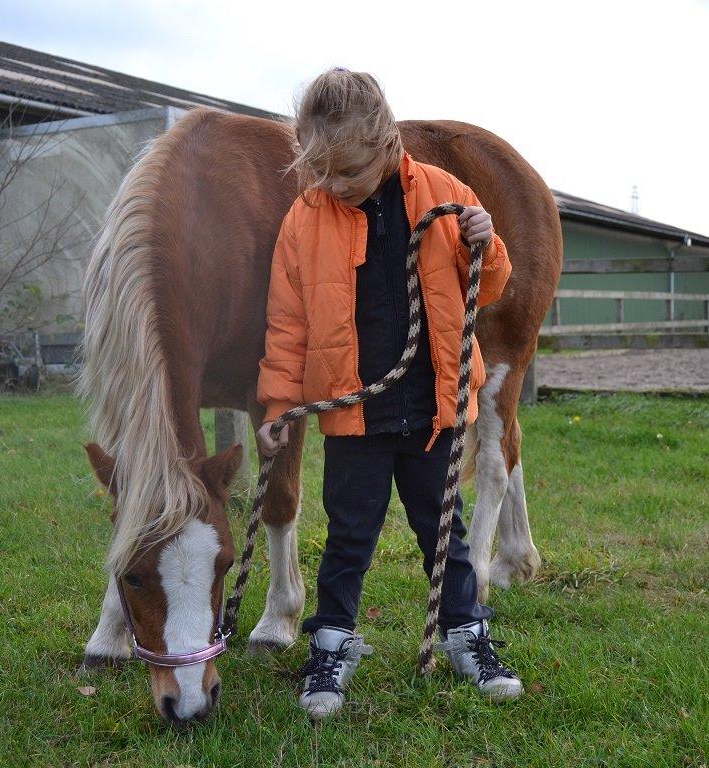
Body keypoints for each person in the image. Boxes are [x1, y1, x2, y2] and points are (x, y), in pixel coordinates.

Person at [255, 68, 521, 720]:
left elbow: (486, 288)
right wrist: (278, 406)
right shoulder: (304, 219)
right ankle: (333, 642)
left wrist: (488, 246)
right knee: (348, 536)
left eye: (345, 171)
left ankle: (467, 635)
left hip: (434, 411)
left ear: (385, 141)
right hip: (355, 415)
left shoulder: (445, 196)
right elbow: (287, 326)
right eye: (320, 173)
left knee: (445, 532)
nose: (333, 185)